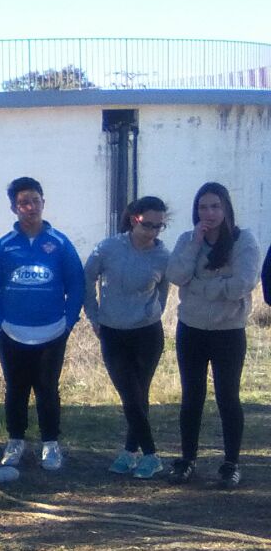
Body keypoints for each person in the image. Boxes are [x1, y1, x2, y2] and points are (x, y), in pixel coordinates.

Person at [0, 177, 84, 473]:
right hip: (12, 332)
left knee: (47, 388)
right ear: (14, 208)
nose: (31, 207)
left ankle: (50, 443)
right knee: (15, 388)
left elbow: (77, 284)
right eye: (24, 203)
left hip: (52, 331)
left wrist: (68, 321)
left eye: (35, 201)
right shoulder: (4, 246)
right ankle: (15, 441)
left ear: (43, 203)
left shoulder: (60, 243)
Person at [164, 182, 260, 488]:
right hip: (191, 329)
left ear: (226, 208)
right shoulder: (187, 239)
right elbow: (175, 275)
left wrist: (201, 286)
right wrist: (195, 243)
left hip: (228, 331)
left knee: (227, 396)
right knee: (191, 397)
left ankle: (230, 463)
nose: (209, 213)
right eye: (203, 207)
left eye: (215, 206)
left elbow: (242, 284)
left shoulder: (243, 241)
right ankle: (187, 460)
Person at [83, 196, 171, 478]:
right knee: (129, 395)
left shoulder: (163, 256)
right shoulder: (108, 248)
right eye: (148, 225)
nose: (153, 232)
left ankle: (133, 451)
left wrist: (152, 313)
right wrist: (94, 315)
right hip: (112, 332)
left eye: (159, 226)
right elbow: (87, 278)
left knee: (139, 394)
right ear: (135, 219)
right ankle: (150, 454)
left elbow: (164, 291)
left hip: (147, 333)